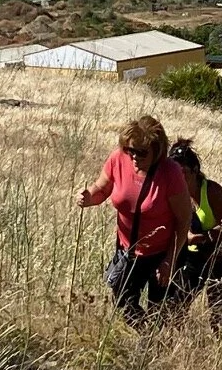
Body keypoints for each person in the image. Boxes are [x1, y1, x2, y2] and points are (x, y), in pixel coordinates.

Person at [76, 116, 192, 328]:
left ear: (157, 150)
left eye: (141, 152)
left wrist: (170, 260)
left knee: (160, 313)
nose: (134, 157)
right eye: (130, 150)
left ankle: (154, 348)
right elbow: (102, 189)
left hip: (162, 253)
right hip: (128, 252)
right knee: (123, 301)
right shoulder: (118, 160)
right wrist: (88, 197)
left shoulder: (170, 173)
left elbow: (184, 220)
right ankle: (146, 335)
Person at [168, 138, 222, 332]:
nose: (178, 178)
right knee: (177, 305)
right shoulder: (174, 195)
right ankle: (180, 345)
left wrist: (203, 237)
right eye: (174, 173)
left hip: (220, 256)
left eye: (183, 172)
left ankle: (220, 350)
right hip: (192, 257)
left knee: (218, 312)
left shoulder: (212, 191)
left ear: (195, 170)